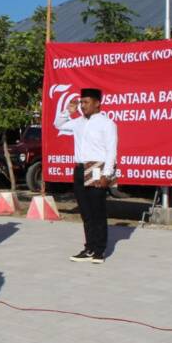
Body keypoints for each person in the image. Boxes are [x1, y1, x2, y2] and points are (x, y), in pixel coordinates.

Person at [54, 88, 117, 264]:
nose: (83, 106)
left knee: (98, 210)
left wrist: (107, 174)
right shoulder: (78, 122)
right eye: (81, 102)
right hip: (80, 169)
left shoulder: (107, 123)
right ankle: (89, 248)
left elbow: (111, 150)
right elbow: (58, 124)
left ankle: (99, 251)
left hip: (98, 168)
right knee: (86, 212)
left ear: (97, 103)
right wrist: (68, 111)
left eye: (86, 102)